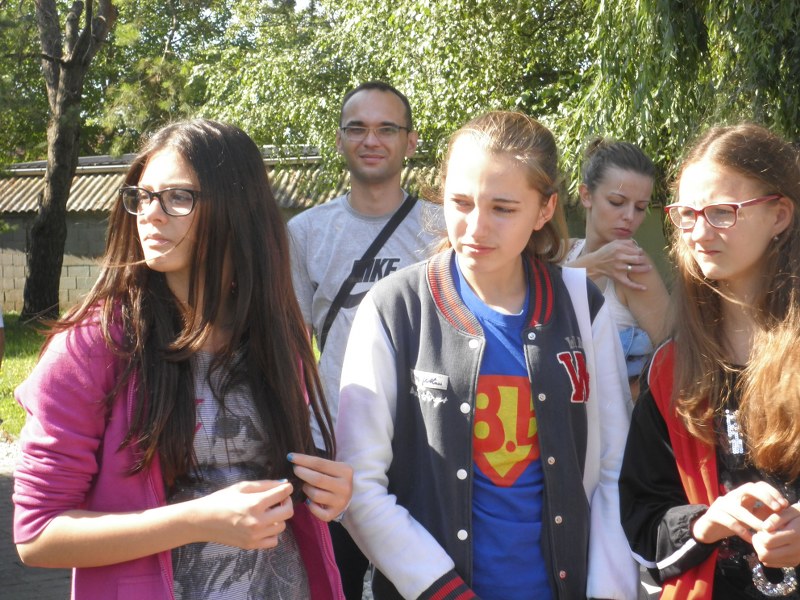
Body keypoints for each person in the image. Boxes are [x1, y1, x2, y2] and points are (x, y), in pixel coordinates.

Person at [12, 119, 352, 599]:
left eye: (177, 197)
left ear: (237, 209)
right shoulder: (93, 345)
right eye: (142, 196)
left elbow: (278, 486)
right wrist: (195, 520)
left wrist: (327, 493)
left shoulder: (274, 335)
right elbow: (37, 535)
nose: (150, 214)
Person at [337, 111, 638, 599]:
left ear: (545, 209)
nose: (476, 227)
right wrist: (442, 590)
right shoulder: (394, 308)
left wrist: (609, 591)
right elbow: (360, 485)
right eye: (460, 202)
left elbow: (613, 470)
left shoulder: (583, 307)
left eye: (503, 208)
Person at [619, 123, 800, 599]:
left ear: (780, 215)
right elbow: (643, 520)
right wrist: (707, 522)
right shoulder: (671, 368)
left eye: (721, 212)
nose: (698, 233)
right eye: (686, 214)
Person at [288, 80, 438, 598]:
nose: (371, 140)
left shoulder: (443, 229)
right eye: (357, 128)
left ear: (410, 141)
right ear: (339, 139)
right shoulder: (306, 232)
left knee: (418, 583)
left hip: (426, 442)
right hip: (334, 444)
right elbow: (291, 346)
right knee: (337, 584)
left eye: (386, 129)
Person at [564, 139, 670, 392]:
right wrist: (593, 264)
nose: (630, 217)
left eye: (641, 207)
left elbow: (675, 357)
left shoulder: (635, 269)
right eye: (617, 202)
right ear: (586, 195)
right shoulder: (565, 250)